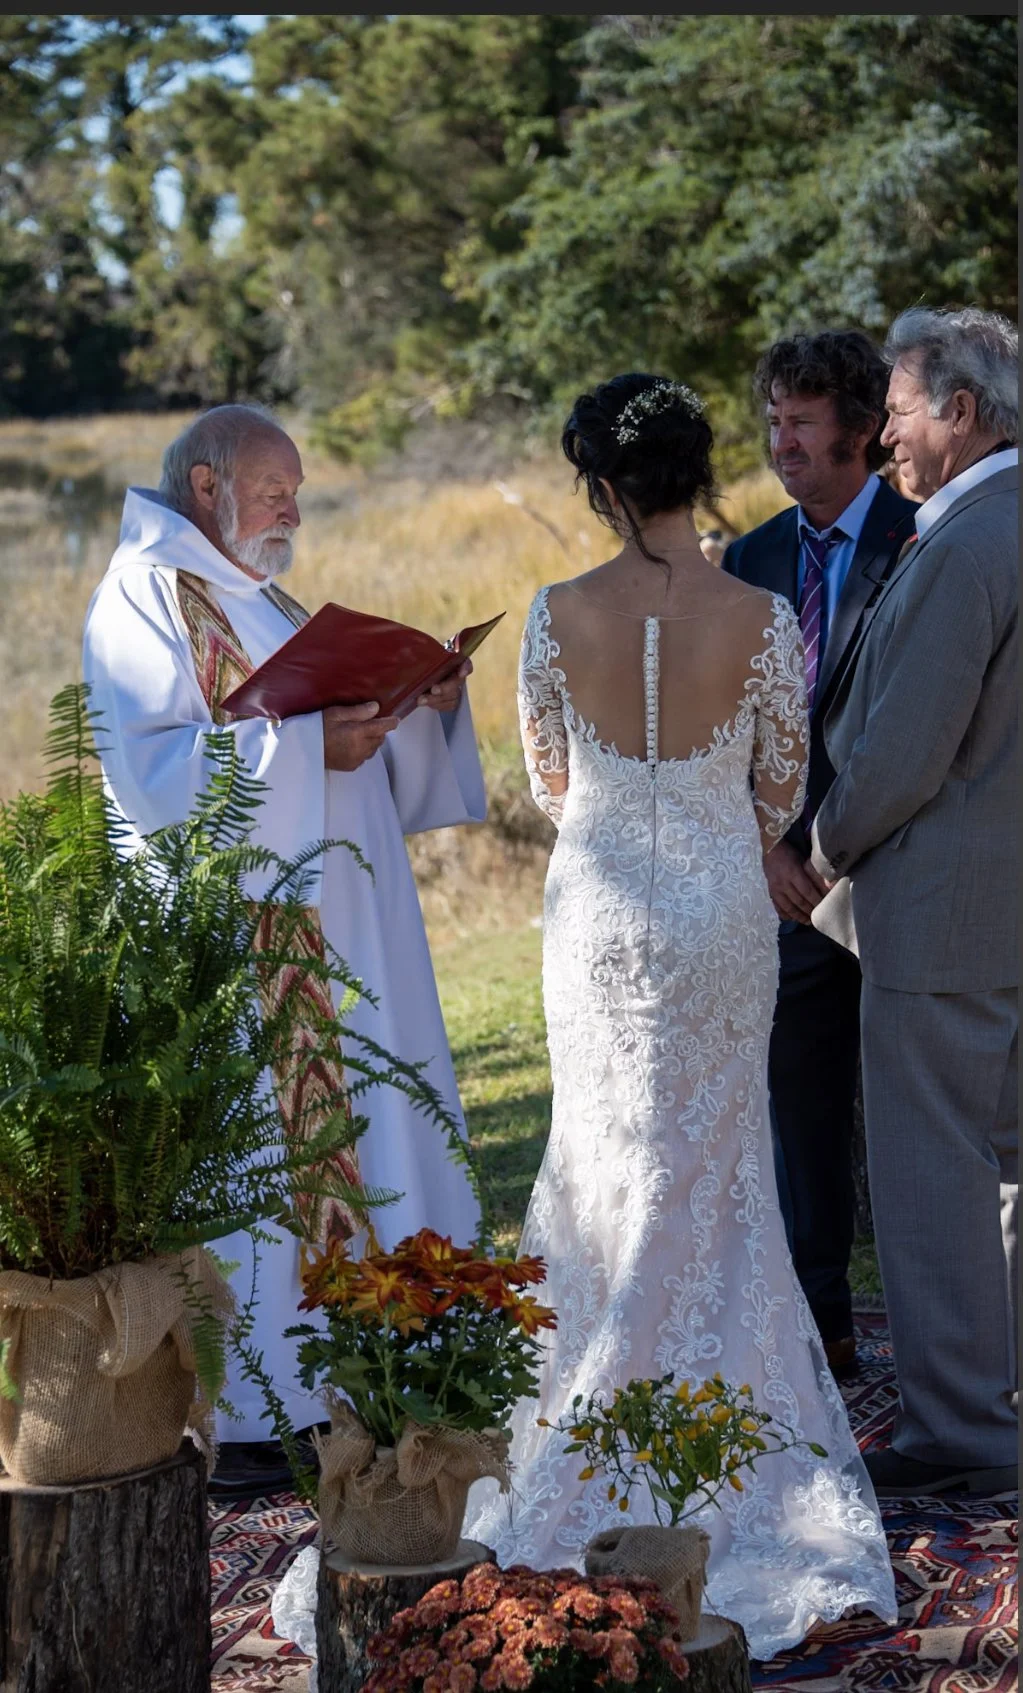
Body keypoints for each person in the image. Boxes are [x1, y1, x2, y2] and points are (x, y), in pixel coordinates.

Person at [464, 374, 896, 1660]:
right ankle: (725, 1437)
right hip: (716, 918)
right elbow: (780, 781)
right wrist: (710, 827)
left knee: (597, 1154)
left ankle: (580, 1433)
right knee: (713, 1165)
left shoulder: (552, 614)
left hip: (596, 921)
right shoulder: (761, 615)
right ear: (698, 476)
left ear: (600, 487)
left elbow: (550, 782)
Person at [82, 405, 485, 1487]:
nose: (294, 511)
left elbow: (319, 732)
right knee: (270, 1161)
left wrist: (417, 703)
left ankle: (365, 1360)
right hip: (250, 947)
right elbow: (156, 780)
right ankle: (270, 1405)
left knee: (363, 1131)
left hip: (343, 926)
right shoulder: (145, 597)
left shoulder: (255, 597)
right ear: (207, 484)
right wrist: (315, 744)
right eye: (277, 490)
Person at [811, 307, 1018, 1497]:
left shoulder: (974, 539)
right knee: (1011, 1166)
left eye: (895, 410)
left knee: (933, 1174)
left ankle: (959, 1434)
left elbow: (903, 752)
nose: (884, 433)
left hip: (942, 912)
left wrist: (821, 853)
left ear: (964, 413)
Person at [722, 333, 917, 1378]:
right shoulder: (749, 560)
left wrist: (843, 847)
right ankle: (824, 1326)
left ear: (857, 428)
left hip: (899, 875)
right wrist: (769, 858)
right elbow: (733, 735)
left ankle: (952, 1329)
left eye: (801, 419)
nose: (780, 440)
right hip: (783, 888)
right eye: (773, 419)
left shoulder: (925, 539)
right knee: (797, 1112)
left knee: (913, 1118)